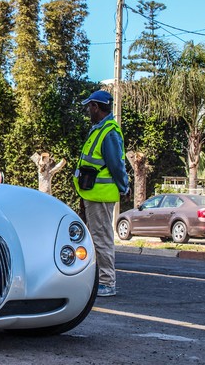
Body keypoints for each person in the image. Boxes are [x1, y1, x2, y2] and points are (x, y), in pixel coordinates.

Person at [74, 90, 129, 297]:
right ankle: (96, 279)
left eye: (90, 106)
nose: (88, 110)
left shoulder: (109, 132)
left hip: (100, 196)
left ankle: (107, 282)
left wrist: (125, 187)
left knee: (102, 239)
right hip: (90, 193)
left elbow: (116, 165)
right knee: (90, 238)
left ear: (96, 107)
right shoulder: (99, 129)